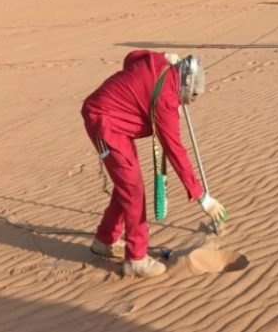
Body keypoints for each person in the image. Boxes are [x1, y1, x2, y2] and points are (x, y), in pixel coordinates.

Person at [81, 50, 227, 278]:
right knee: (133, 189)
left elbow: (131, 58)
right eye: (191, 95)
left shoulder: (159, 61)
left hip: (121, 122)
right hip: (104, 121)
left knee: (127, 183)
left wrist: (164, 60)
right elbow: (175, 151)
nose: (190, 101)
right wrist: (202, 197)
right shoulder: (166, 101)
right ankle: (136, 260)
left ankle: (105, 240)